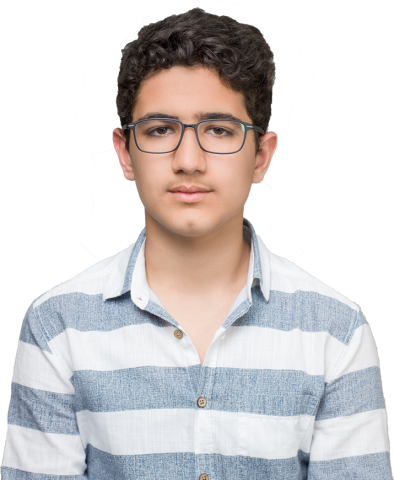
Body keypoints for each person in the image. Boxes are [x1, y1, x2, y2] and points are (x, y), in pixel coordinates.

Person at [2, 7, 391, 479]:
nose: (189, 160)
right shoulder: (56, 326)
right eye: (160, 130)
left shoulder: (337, 330)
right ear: (125, 152)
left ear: (262, 157)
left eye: (220, 130)